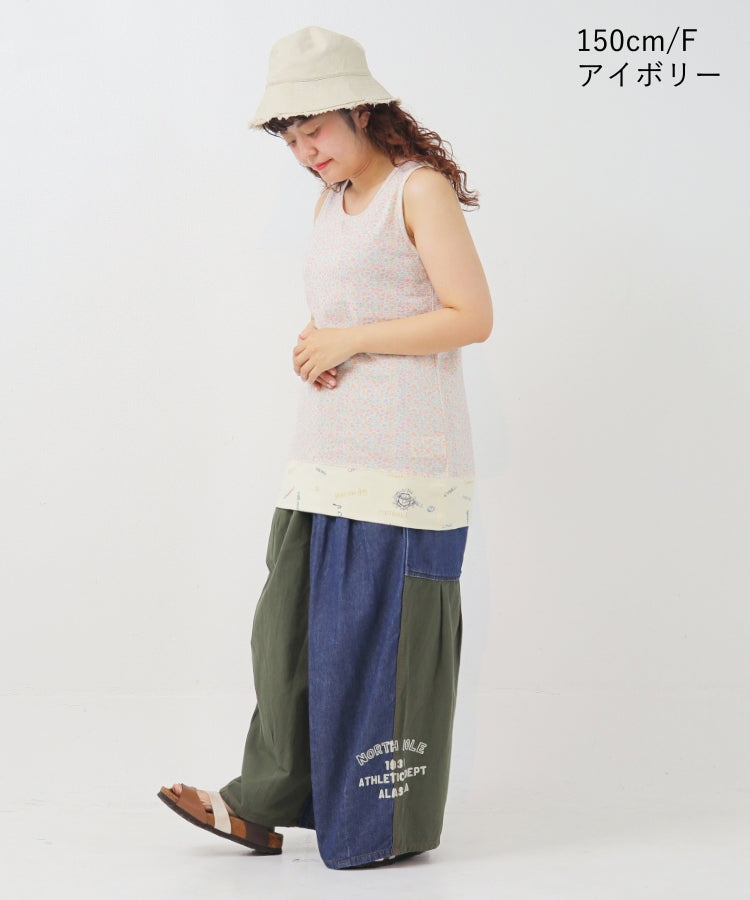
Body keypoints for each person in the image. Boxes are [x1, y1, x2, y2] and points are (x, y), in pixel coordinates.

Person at [158, 25, 492, 870]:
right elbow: (350, 312)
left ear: (362, 111)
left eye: (315, 131)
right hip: (325, 456)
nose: (306, 152)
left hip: (407, 464)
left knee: (381, 647)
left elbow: (471, 316)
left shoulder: (418, 191)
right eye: (291, 139)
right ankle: (264, 803)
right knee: (289, 639)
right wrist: (318, 343)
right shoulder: (329, 201)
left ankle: (376, 829)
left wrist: (350, 340)